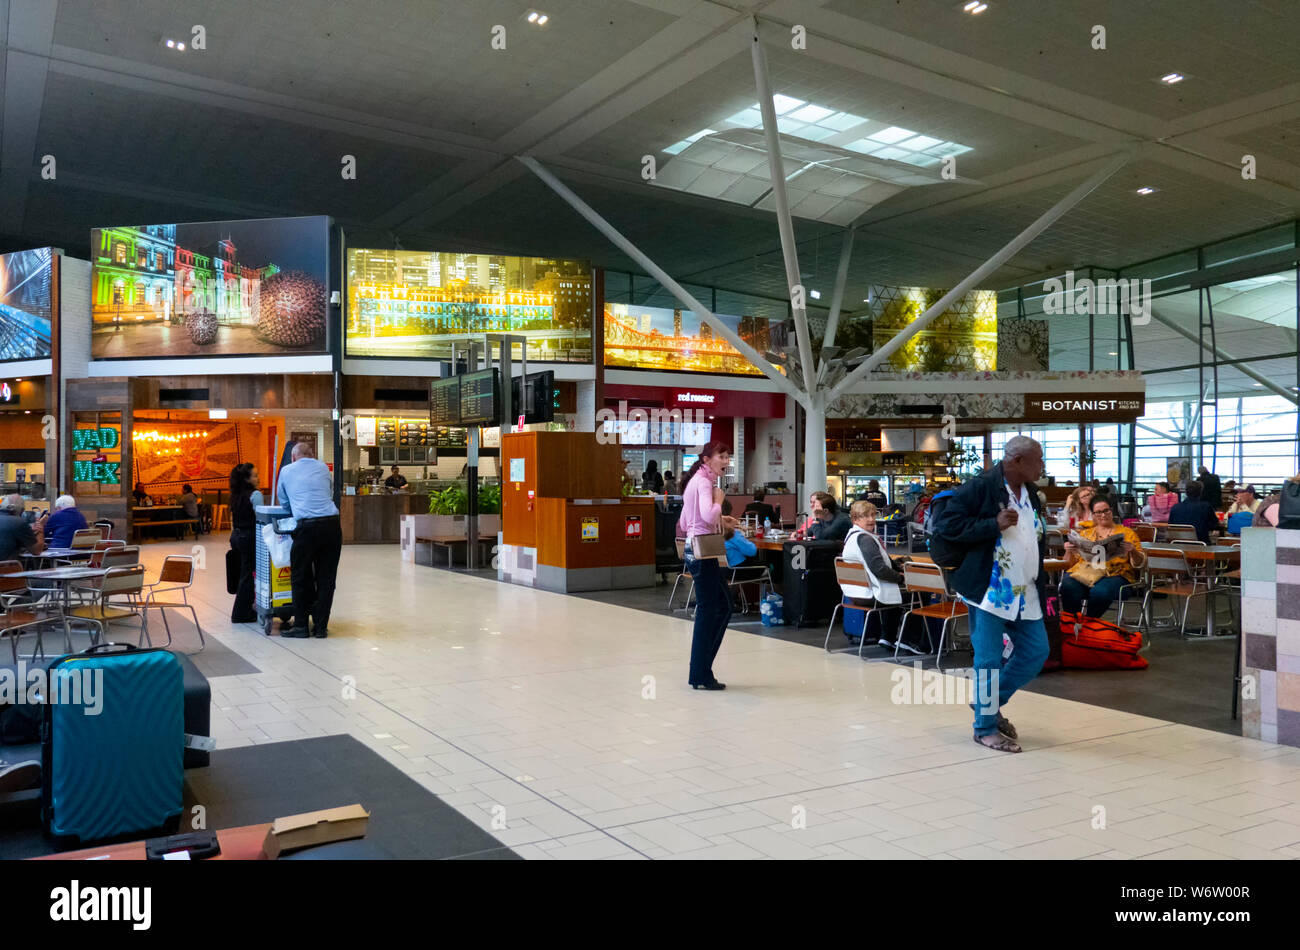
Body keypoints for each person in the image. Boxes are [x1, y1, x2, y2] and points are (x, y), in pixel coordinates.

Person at [932, 436, 1049, 755]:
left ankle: (989, 702)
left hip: (1025, 587)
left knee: (1036, 652)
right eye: (1038, 459)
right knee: (988, 660)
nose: (1043, 465)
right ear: (1017, 461)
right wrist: (991, 524)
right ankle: (984, 728)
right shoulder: (981, 486)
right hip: (989, 588)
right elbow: (947, 526)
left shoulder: (1032, 494)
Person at [678, 441, 734, 690]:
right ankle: (701, 671)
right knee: (712, 610)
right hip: (703, 551)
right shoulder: (704, 482)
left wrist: (719, 517)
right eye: (721, 456)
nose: (726, 461)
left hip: (694, 549)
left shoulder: (696, 481)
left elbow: (683, 521)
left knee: (717, 607)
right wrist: (719, 502)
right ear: (706, 459)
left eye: (727, 456)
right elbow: (707, 515)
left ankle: (700, 670)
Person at [276, 442, 342, 639]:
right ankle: (321, 627)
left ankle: (301, 626)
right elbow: (329, 493)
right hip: (331, 526)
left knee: (300, 577)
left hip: (306, 527)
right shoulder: (322, 467)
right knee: (326, 578)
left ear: (294, 457)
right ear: (312, 455)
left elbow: (284, 501)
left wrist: (296, 507)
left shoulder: (287, 470)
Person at [840, 501, 923, 654]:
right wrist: (901, 578)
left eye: (873, 515)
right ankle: (909, 640)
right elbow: (879, 570)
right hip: (872, 595)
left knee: (894, 589)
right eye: (865, 516)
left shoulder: (851, 537)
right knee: (919, 593)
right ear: (855, 519)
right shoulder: (865, 539)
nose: (871, 519)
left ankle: (887, 637)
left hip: (854, 594)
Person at [1060, 495, 1146, 617]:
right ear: (1093, 515)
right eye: (1098, 512)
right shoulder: (1085, 533)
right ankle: (1072, 623)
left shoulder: (1127, 533)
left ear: (1112, 510)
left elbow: (1140, 564)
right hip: (1087, 573)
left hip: (1116, 575)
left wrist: (1133, 551)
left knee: (1100, 591)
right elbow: (1068, 565)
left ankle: (1089, 624)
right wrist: (1068, 551)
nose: (1103, 515)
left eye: (1106, 511)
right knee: (1068, 585)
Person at [228, 463, 263, 624]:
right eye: (255, 475)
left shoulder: (236, 494)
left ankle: (243, 609)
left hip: (236, 536)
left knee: (243, 574)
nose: (258, 478)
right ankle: (241, 613)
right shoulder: (255, 495)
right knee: (248, 576)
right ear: (247, 479)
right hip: (249, 537)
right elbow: (261, 517)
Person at [0, 494, 46, 561]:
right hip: (6, 568)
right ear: (21, 510)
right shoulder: (18, 522)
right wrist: (40, 528)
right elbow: (37, 550)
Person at [719, 501, 759, 568]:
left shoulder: (712, 532)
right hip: (737, 570)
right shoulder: (731, 533)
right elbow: (752, 551)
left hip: (722, 571)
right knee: (769, 565)